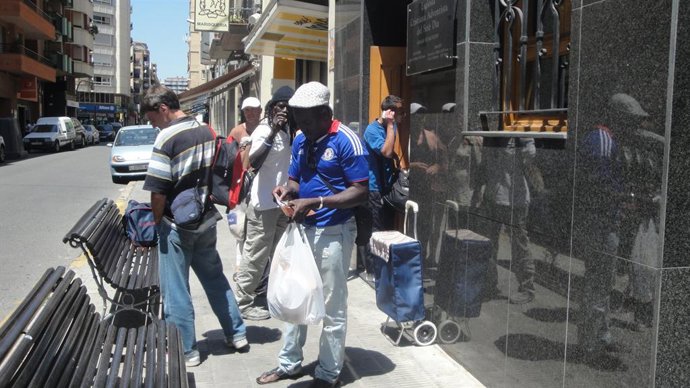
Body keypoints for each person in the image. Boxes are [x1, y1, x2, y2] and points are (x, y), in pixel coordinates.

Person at [257, 82, 369, 387]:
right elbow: (295, 180)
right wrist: (287, 190)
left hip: (335, 231)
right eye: (298, 120)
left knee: (332, 306)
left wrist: (317, 201)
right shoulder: (302, 140)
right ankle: (289, 363)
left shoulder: (347, 141)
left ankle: (328, 372)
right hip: (304, 231)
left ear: (325, 113)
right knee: (297, 297)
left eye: (307, 120)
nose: (302, 126)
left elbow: (360, 192)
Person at [141, 85, 248, 368]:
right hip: (205, 218)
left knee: (176, 289)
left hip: (177, 224)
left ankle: (186, 351)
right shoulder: (205, 129)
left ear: (163, 109)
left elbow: (158, 190)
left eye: (152, 118)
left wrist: (156, 221)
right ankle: (237, 334)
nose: (152, 124)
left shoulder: (167, 137)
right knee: (215, 279)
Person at [233, 86, 294, 321]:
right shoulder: (263, 130)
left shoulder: (290, 130)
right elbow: (253, 163)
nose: (284, 110)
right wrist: (272, 131)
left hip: (282, 204)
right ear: (271, 107)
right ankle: (243, 302)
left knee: (280, 253)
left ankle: (273, 293)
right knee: (256, 254)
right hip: (263, 205)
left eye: (288, 106)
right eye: (280, 105)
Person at [483, 137, 536, 304]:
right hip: (494, 196)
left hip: (515, 199)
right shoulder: (493, 135)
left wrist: (523, 142)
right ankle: (489, 284)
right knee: (490, 242)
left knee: (519, 243)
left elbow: (531, 152)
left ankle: (527, 288)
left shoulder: (520, 136)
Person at [359, 95, 403, 273]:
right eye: (400, 112)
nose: (403, 116)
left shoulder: (391, 127)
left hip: (387, 187)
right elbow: (385, 151)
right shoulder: (372, 130)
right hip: (374, 189)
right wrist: (391, 125)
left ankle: (384, 268)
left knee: (387, 228)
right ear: (389, 113)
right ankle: (374, 270)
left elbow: (390, 152)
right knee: (376, 230)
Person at [227, 97, 263, 270]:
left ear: (260, 111)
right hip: (241, 186)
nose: (251, 113)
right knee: (240, 228)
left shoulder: (266, 129)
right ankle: (240, 266)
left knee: (258, 228)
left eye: (254, 110)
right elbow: (227, 157)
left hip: (262, 184)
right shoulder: (236, 132)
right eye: (247, 110)